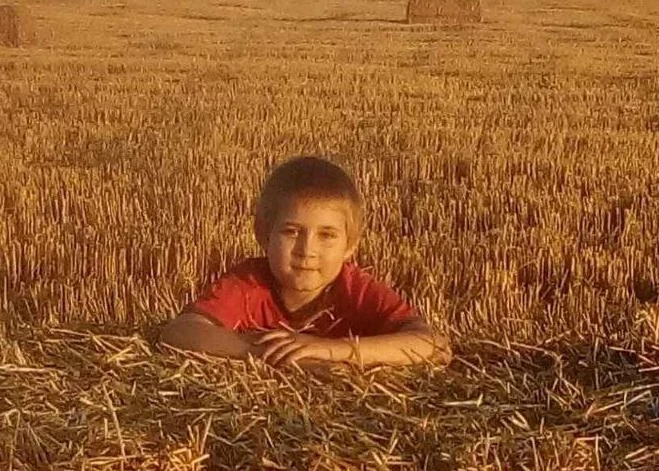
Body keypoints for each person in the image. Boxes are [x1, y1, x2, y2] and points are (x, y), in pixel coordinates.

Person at [159, 156, 450, 369]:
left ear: (350, 246)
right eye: (291, 232)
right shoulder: (249, 283)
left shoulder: (355, 288)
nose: (306, 250)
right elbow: (179, 332)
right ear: (263, 234)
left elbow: (432, 344)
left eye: (327, 236)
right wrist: (266, 354)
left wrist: (330, 350)